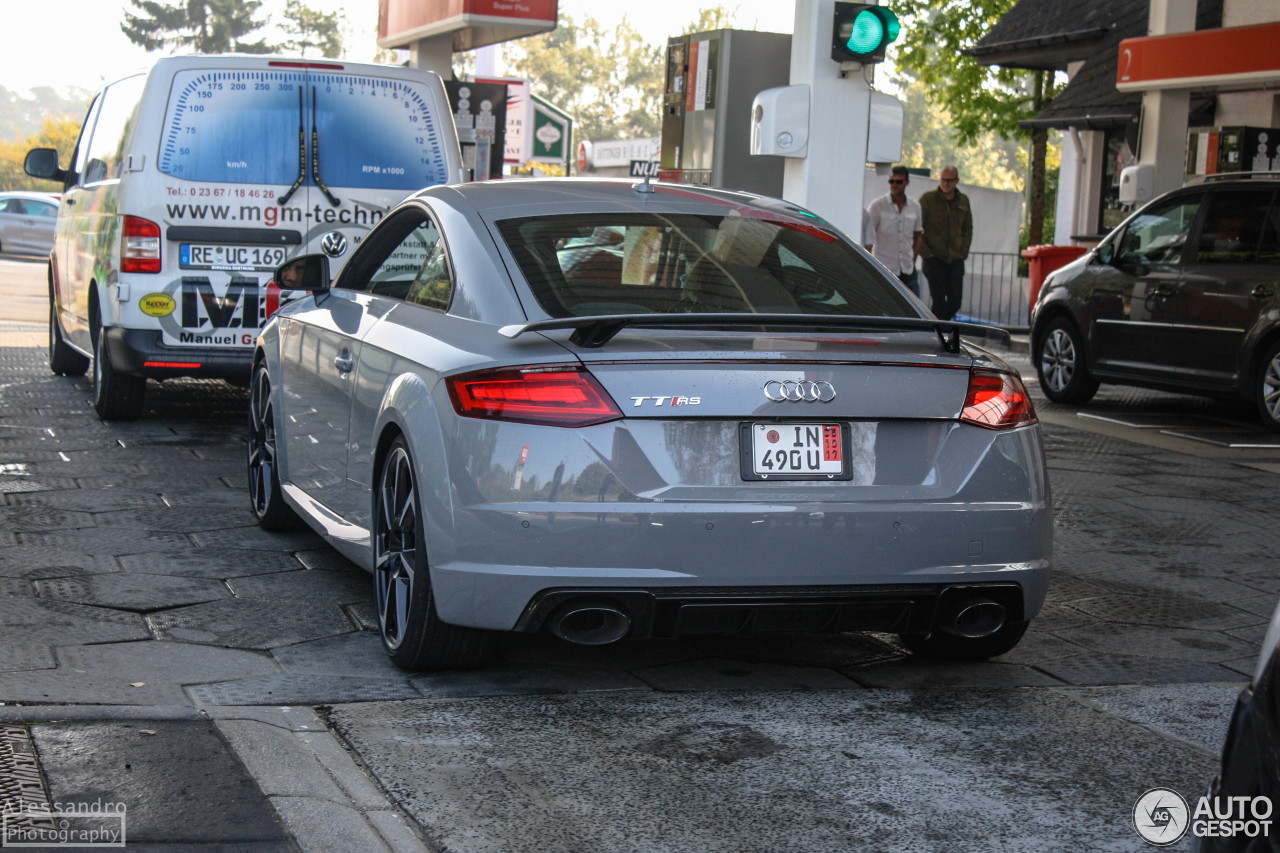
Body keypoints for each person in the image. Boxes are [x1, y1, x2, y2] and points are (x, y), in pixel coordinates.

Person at [919, 165, 973, 320]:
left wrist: (963, 252)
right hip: (934, 258)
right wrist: (926, 253)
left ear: (956, 181)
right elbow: (916, 228)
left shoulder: (963, 200)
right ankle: (937, 330)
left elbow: (967, 228)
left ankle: (938, 325)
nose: (946, 183)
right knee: (939, 300)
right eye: (943, 179)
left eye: (949, 180)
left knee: (955, 301)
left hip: (955, 258)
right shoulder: (928, 199)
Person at [865, 166, 923, 296]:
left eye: (899, 182)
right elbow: (867, 235)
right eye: (891, 181)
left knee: (915, 309)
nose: (894, 185)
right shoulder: (877, 206)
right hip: (884, 268)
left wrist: (912, 260)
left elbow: (918, 236)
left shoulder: (915, 207)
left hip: (907, 269)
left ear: (906, 182)